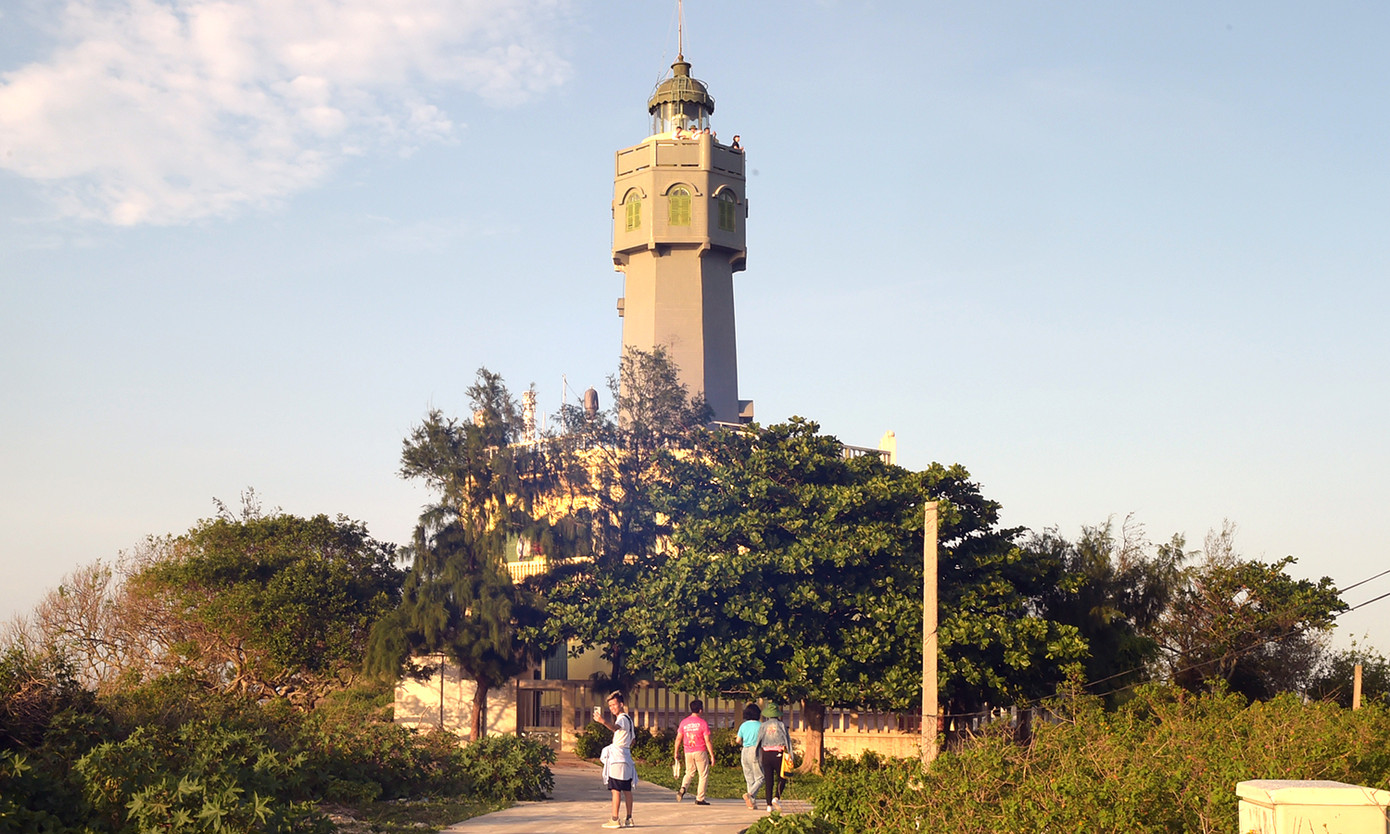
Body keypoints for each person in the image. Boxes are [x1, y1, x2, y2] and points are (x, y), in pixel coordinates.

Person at [595, 690, 636, 828]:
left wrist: (602, 721)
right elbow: (633, 740)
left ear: (621, 704)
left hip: (618, 759)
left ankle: (614, 819)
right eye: (610, 706)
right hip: (626, 758)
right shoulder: (629, 720)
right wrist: (625, 746)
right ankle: (629, 818)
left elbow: (614, 728)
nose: (612, 708)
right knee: (627, 790)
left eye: (614, 705)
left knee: (615, 790)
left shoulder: (622, 719)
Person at [674, 698, 715, 805]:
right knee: (703, 775)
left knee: (689, 772)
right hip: (700, 751)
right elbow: (707, 741)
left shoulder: (684, 723)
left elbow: (678, 738)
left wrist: (676, 752)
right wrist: (712, 755)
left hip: (688, 751)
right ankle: (700, 798)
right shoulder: (703, 723)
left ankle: (683, 787)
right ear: (700, 710)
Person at [756, 703, 792, 814]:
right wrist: (790, 754)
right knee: (782, 777)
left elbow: (759, 740)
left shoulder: (763, 726)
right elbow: (787, 741)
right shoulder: (781, 725)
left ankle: (768, 805)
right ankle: (776, 798)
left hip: (766, 754)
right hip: (778, 754)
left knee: (768, 779)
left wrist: (757, 755)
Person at [737, 702, 764, 809]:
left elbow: (738, 740)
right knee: (760, 777)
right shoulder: (761, 726)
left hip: (745, 751)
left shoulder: (743, 725)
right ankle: (750, 794)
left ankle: (751, 803)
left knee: (749, 778)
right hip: (756, 750)